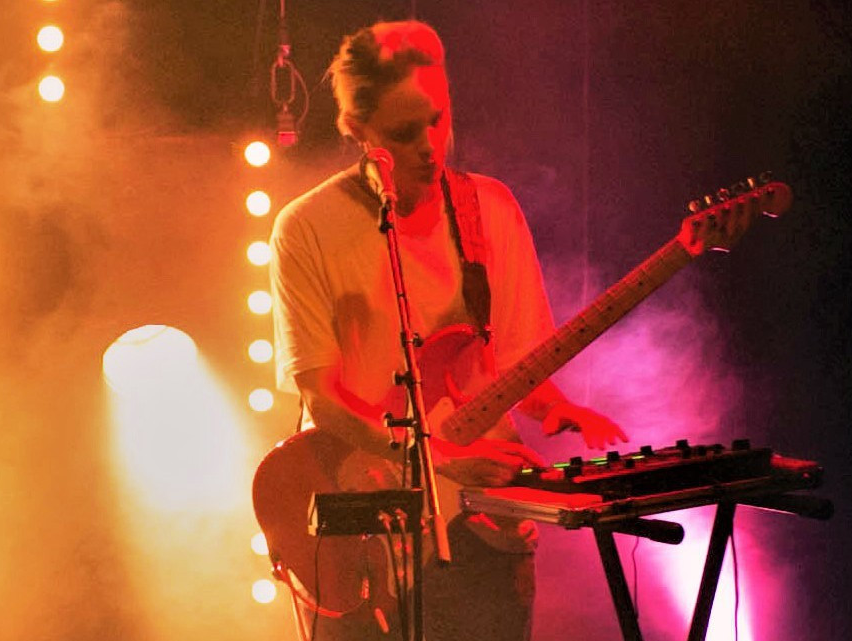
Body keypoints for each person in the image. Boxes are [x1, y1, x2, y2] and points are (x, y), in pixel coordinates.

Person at [268, 20, 628, 641]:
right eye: (403, 133)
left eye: (437, 120)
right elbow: (321, 397)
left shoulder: (490, 209)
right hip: (360, 530)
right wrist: (436, 457)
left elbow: (514, 358)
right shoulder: (305, 228)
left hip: (484, 527)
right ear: (358, 130)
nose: (430, 147)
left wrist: (554, 405)